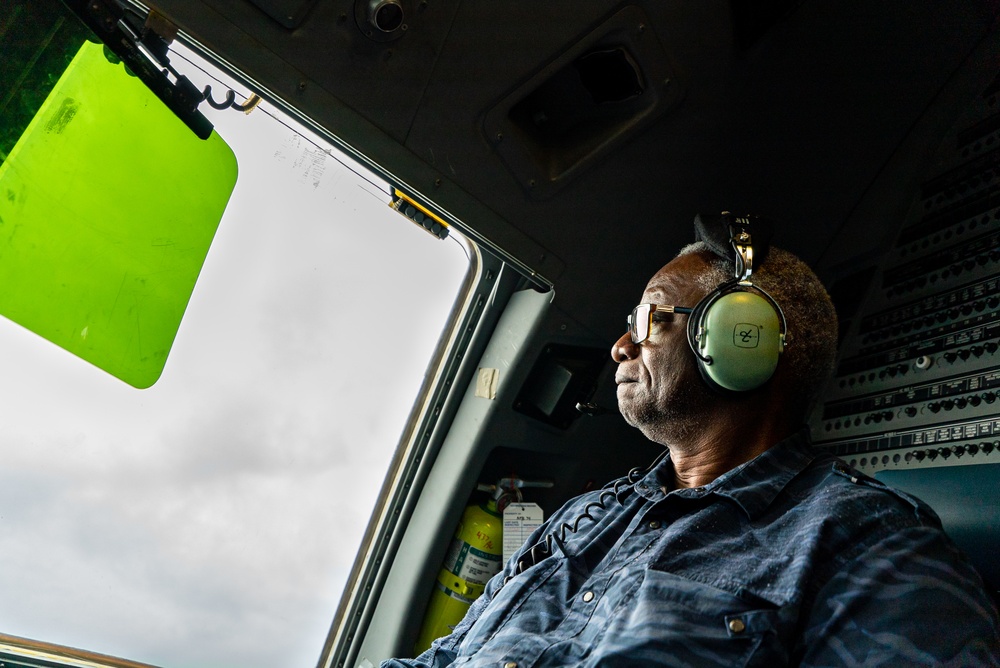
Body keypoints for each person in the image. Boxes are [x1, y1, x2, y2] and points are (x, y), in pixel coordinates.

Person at [383, 216, 1000, 667]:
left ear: (742, 340)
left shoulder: (866, 543)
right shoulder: (585, 517)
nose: (622, 347)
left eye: (651, 318)